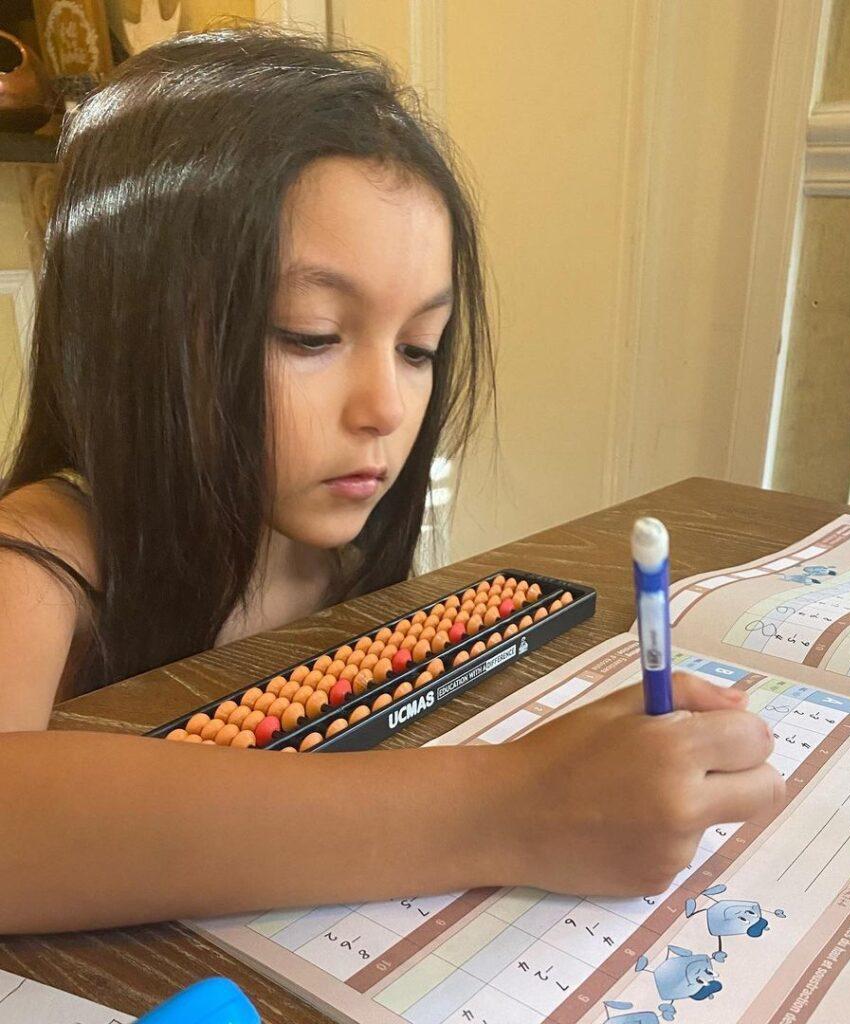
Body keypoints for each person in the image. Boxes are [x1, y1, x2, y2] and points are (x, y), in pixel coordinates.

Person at [0, 26, 782, 934]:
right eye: (311, 333)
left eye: (420, 348)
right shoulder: (43, 555)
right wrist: (511, 807)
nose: (387, 406)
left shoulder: (329, 558)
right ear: (132, 330)